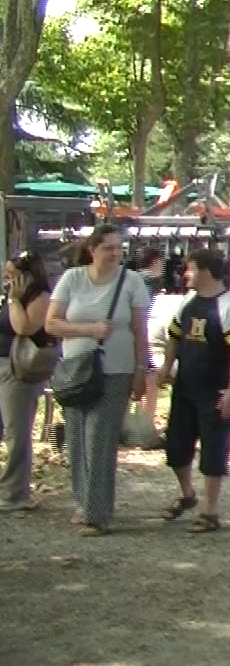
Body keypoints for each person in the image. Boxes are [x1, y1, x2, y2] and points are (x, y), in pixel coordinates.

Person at [45, 224, 152, 535]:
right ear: (92, 250)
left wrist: (141, 371)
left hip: (116, 370)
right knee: (77, 439)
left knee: (100, 440)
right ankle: (85, 501)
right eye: (108, 248)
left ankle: (97, 514)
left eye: (120, 248)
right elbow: (52, 323)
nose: (115, 254)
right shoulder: (72, 279)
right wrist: (89, 329)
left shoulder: (132, 281)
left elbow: (140, 332)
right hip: (76, 371)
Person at [156, 248, 230, 533]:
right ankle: (187, 494)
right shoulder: (188, 303)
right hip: (185, 386)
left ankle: (210, 510)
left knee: (213, 449)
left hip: (214, 391)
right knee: (176, 445)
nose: (185, 275)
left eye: (190, 269)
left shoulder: (229, 306)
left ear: (206, 272)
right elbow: (174, 336)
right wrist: (166, 367)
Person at [0, 250, 54, 511]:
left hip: (18, 368)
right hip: (2, 364)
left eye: (13, 274)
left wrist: (14, 301)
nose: (8, 278)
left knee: (16, 432)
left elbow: (23, 328)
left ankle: (15, 493)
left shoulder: (39, 297)